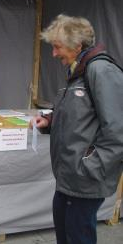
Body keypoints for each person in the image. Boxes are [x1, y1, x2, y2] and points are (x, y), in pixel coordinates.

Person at [32, 14, 123, 244]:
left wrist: (89, 166)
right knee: (66, 234)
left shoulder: (101, 71)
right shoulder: (76, 72)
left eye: (57, 47)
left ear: (77, 45)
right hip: (69, 177)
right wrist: (50, 121)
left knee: (77, 237)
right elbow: (79, 115)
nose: (54, 54)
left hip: (84, 178)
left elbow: (118, 130)